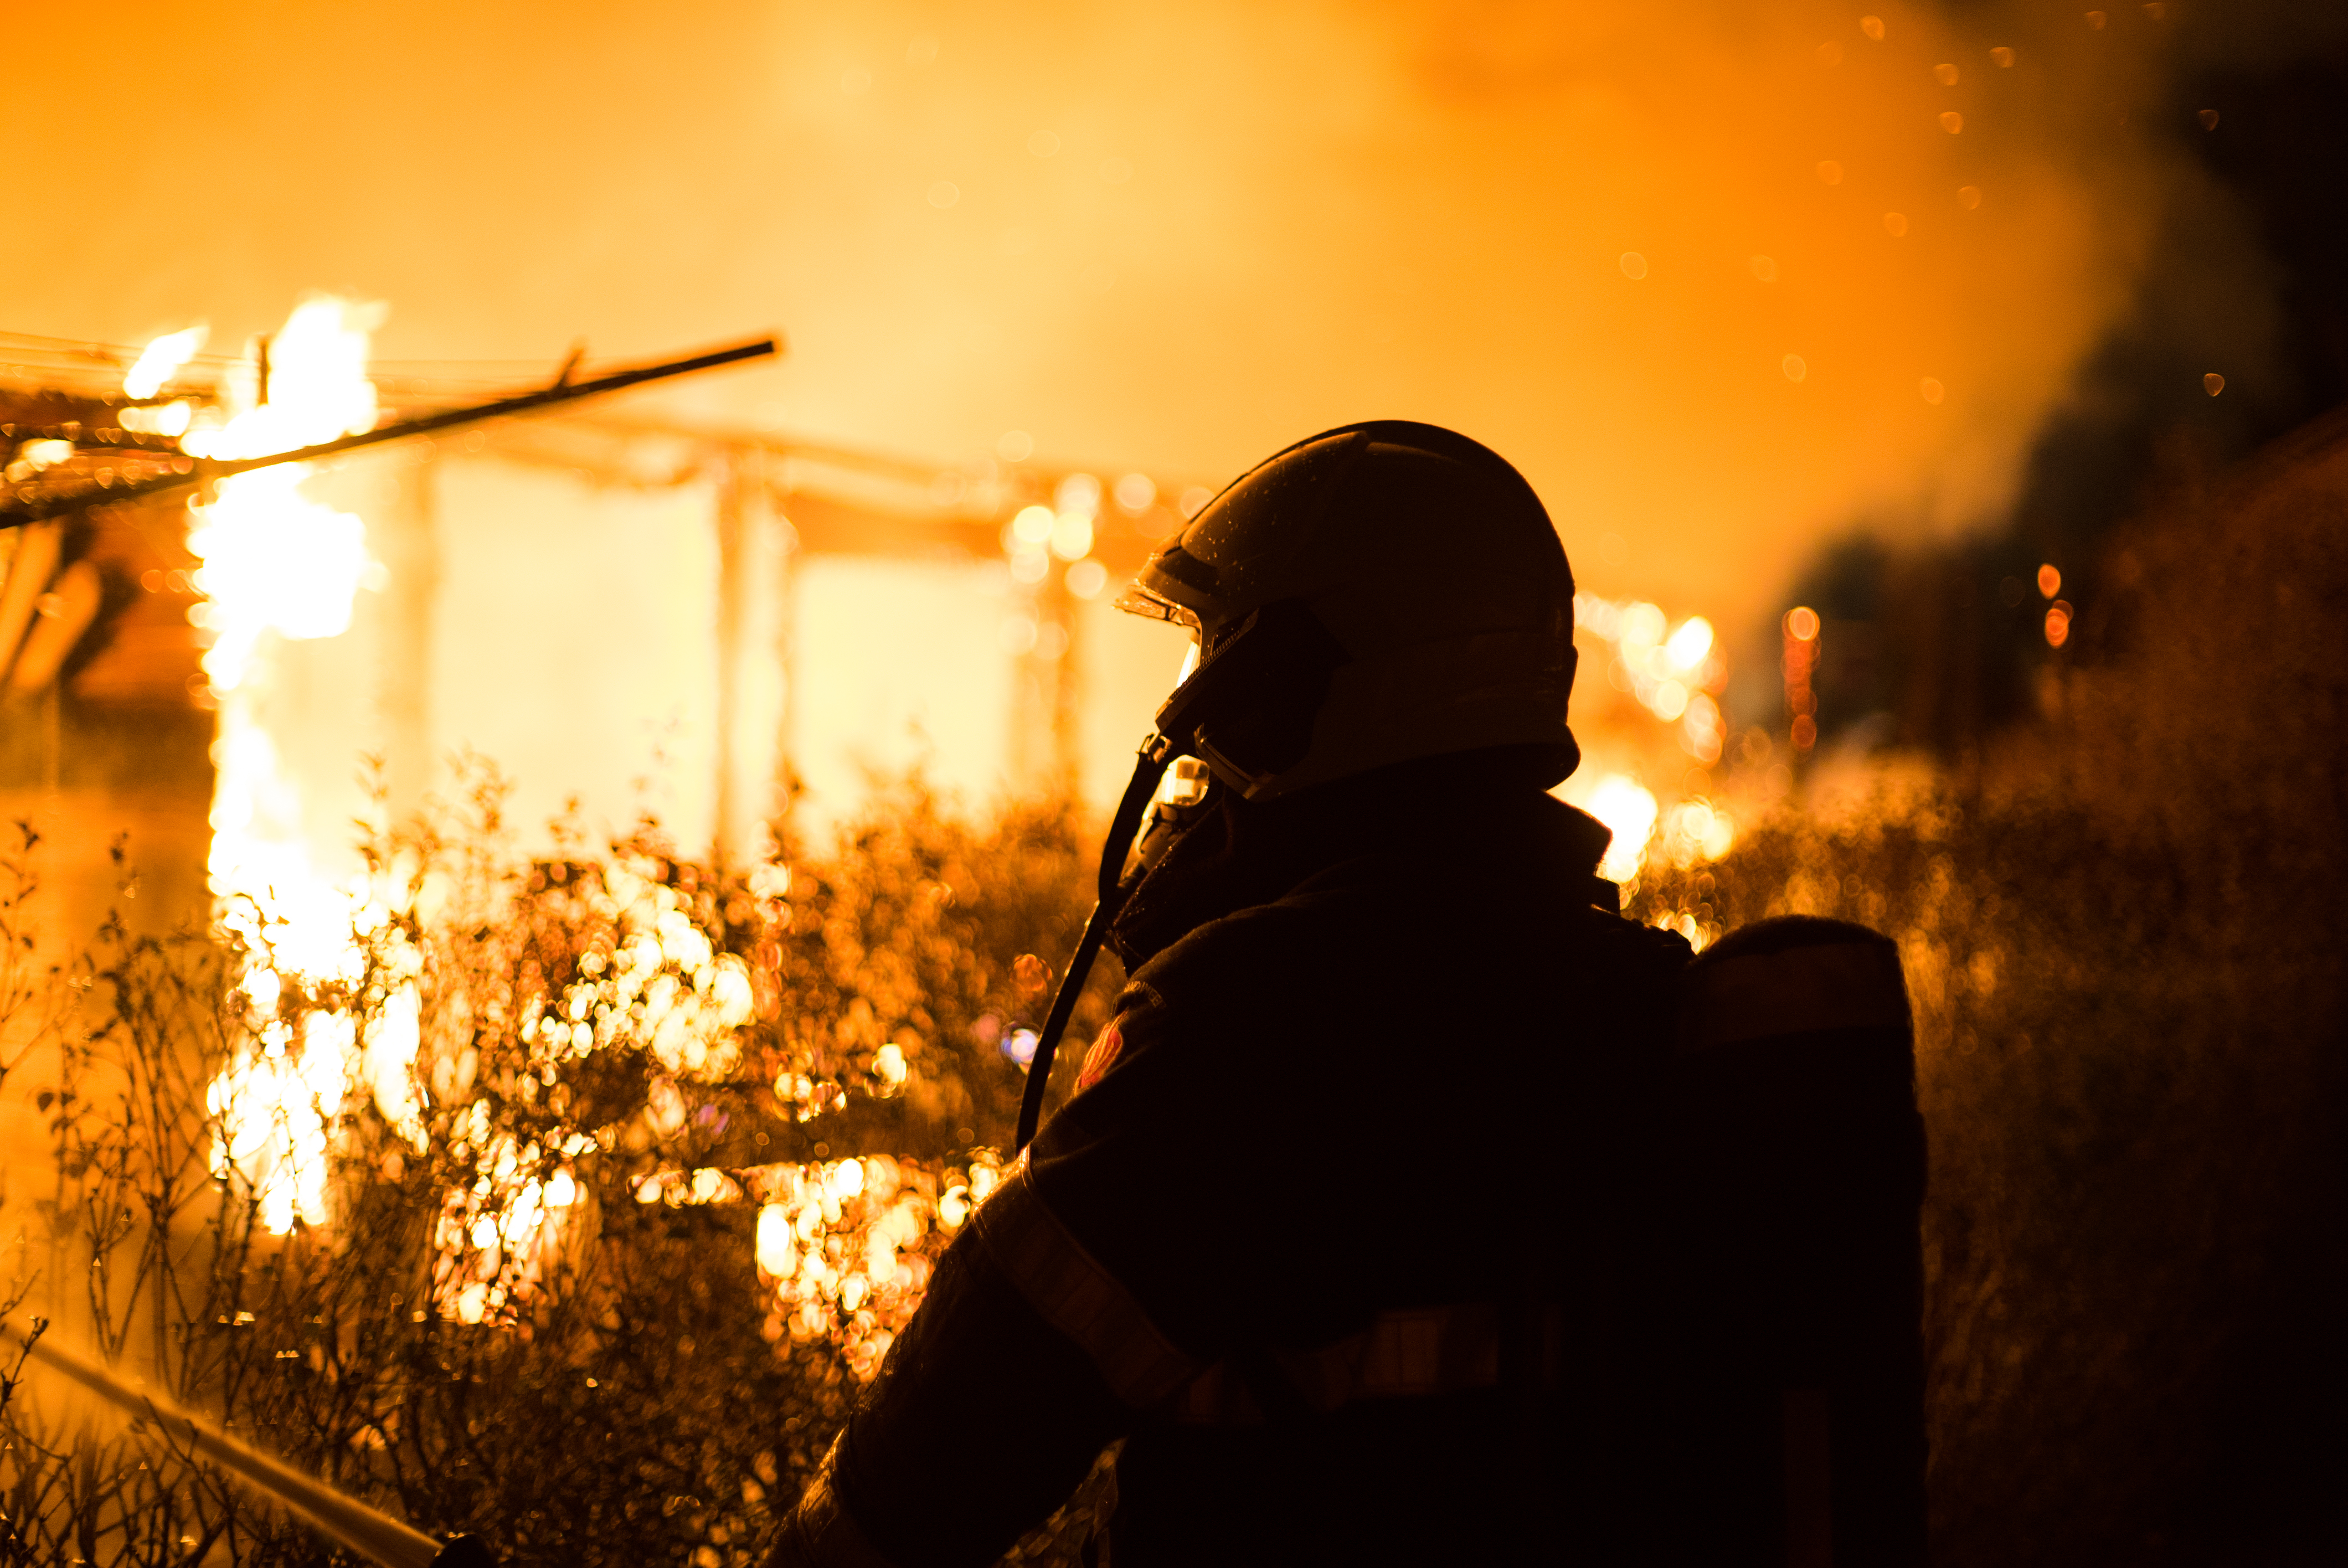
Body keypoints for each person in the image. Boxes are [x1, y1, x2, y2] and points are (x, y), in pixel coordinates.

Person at [769, 421, 1691, 1567]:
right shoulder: (1627, 995)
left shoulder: (1251, 1027)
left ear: (1300, 690)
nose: (1196, 723)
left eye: (1230, 659)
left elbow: (934, 1466)